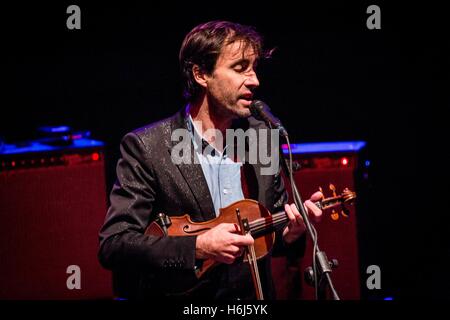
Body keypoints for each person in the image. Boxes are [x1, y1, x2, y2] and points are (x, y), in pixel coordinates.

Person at [98, 20, 323, 300]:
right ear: (201, 73)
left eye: (254, 68)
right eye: (240, 68)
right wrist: (198, 246)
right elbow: (115, 245)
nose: (254, 80)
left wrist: (290, 233)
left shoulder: (260, 138)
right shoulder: (148, 147)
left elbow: (268, 237)